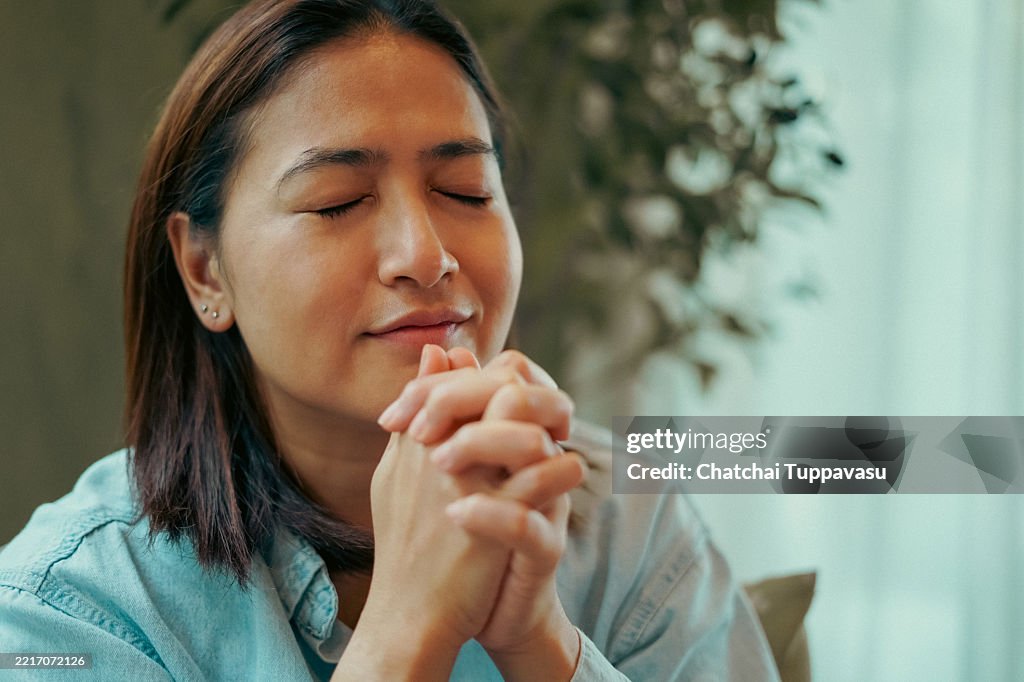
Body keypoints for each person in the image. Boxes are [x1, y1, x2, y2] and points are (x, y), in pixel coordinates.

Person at [0, 1, 780, 679]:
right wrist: (408, 629)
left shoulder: (629, 525)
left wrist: (543, 646)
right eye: (337, 202)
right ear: (205, 270)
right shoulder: (68, 608)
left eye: (464, 191)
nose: (426, 255)